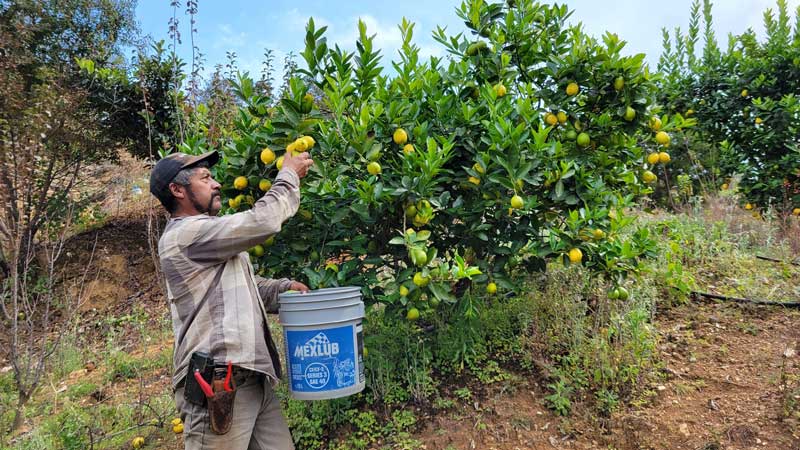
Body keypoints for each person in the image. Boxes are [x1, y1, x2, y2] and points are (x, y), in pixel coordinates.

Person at [149, 148, 314, 450]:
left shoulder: (209, 237)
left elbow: (243, 286)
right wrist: (288, 175)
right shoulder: (185, 235)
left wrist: (283, 289)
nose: (216, 184)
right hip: (217, 383)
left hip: (252, 379)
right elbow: (262, 221)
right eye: (205, 178)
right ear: (177, 190)